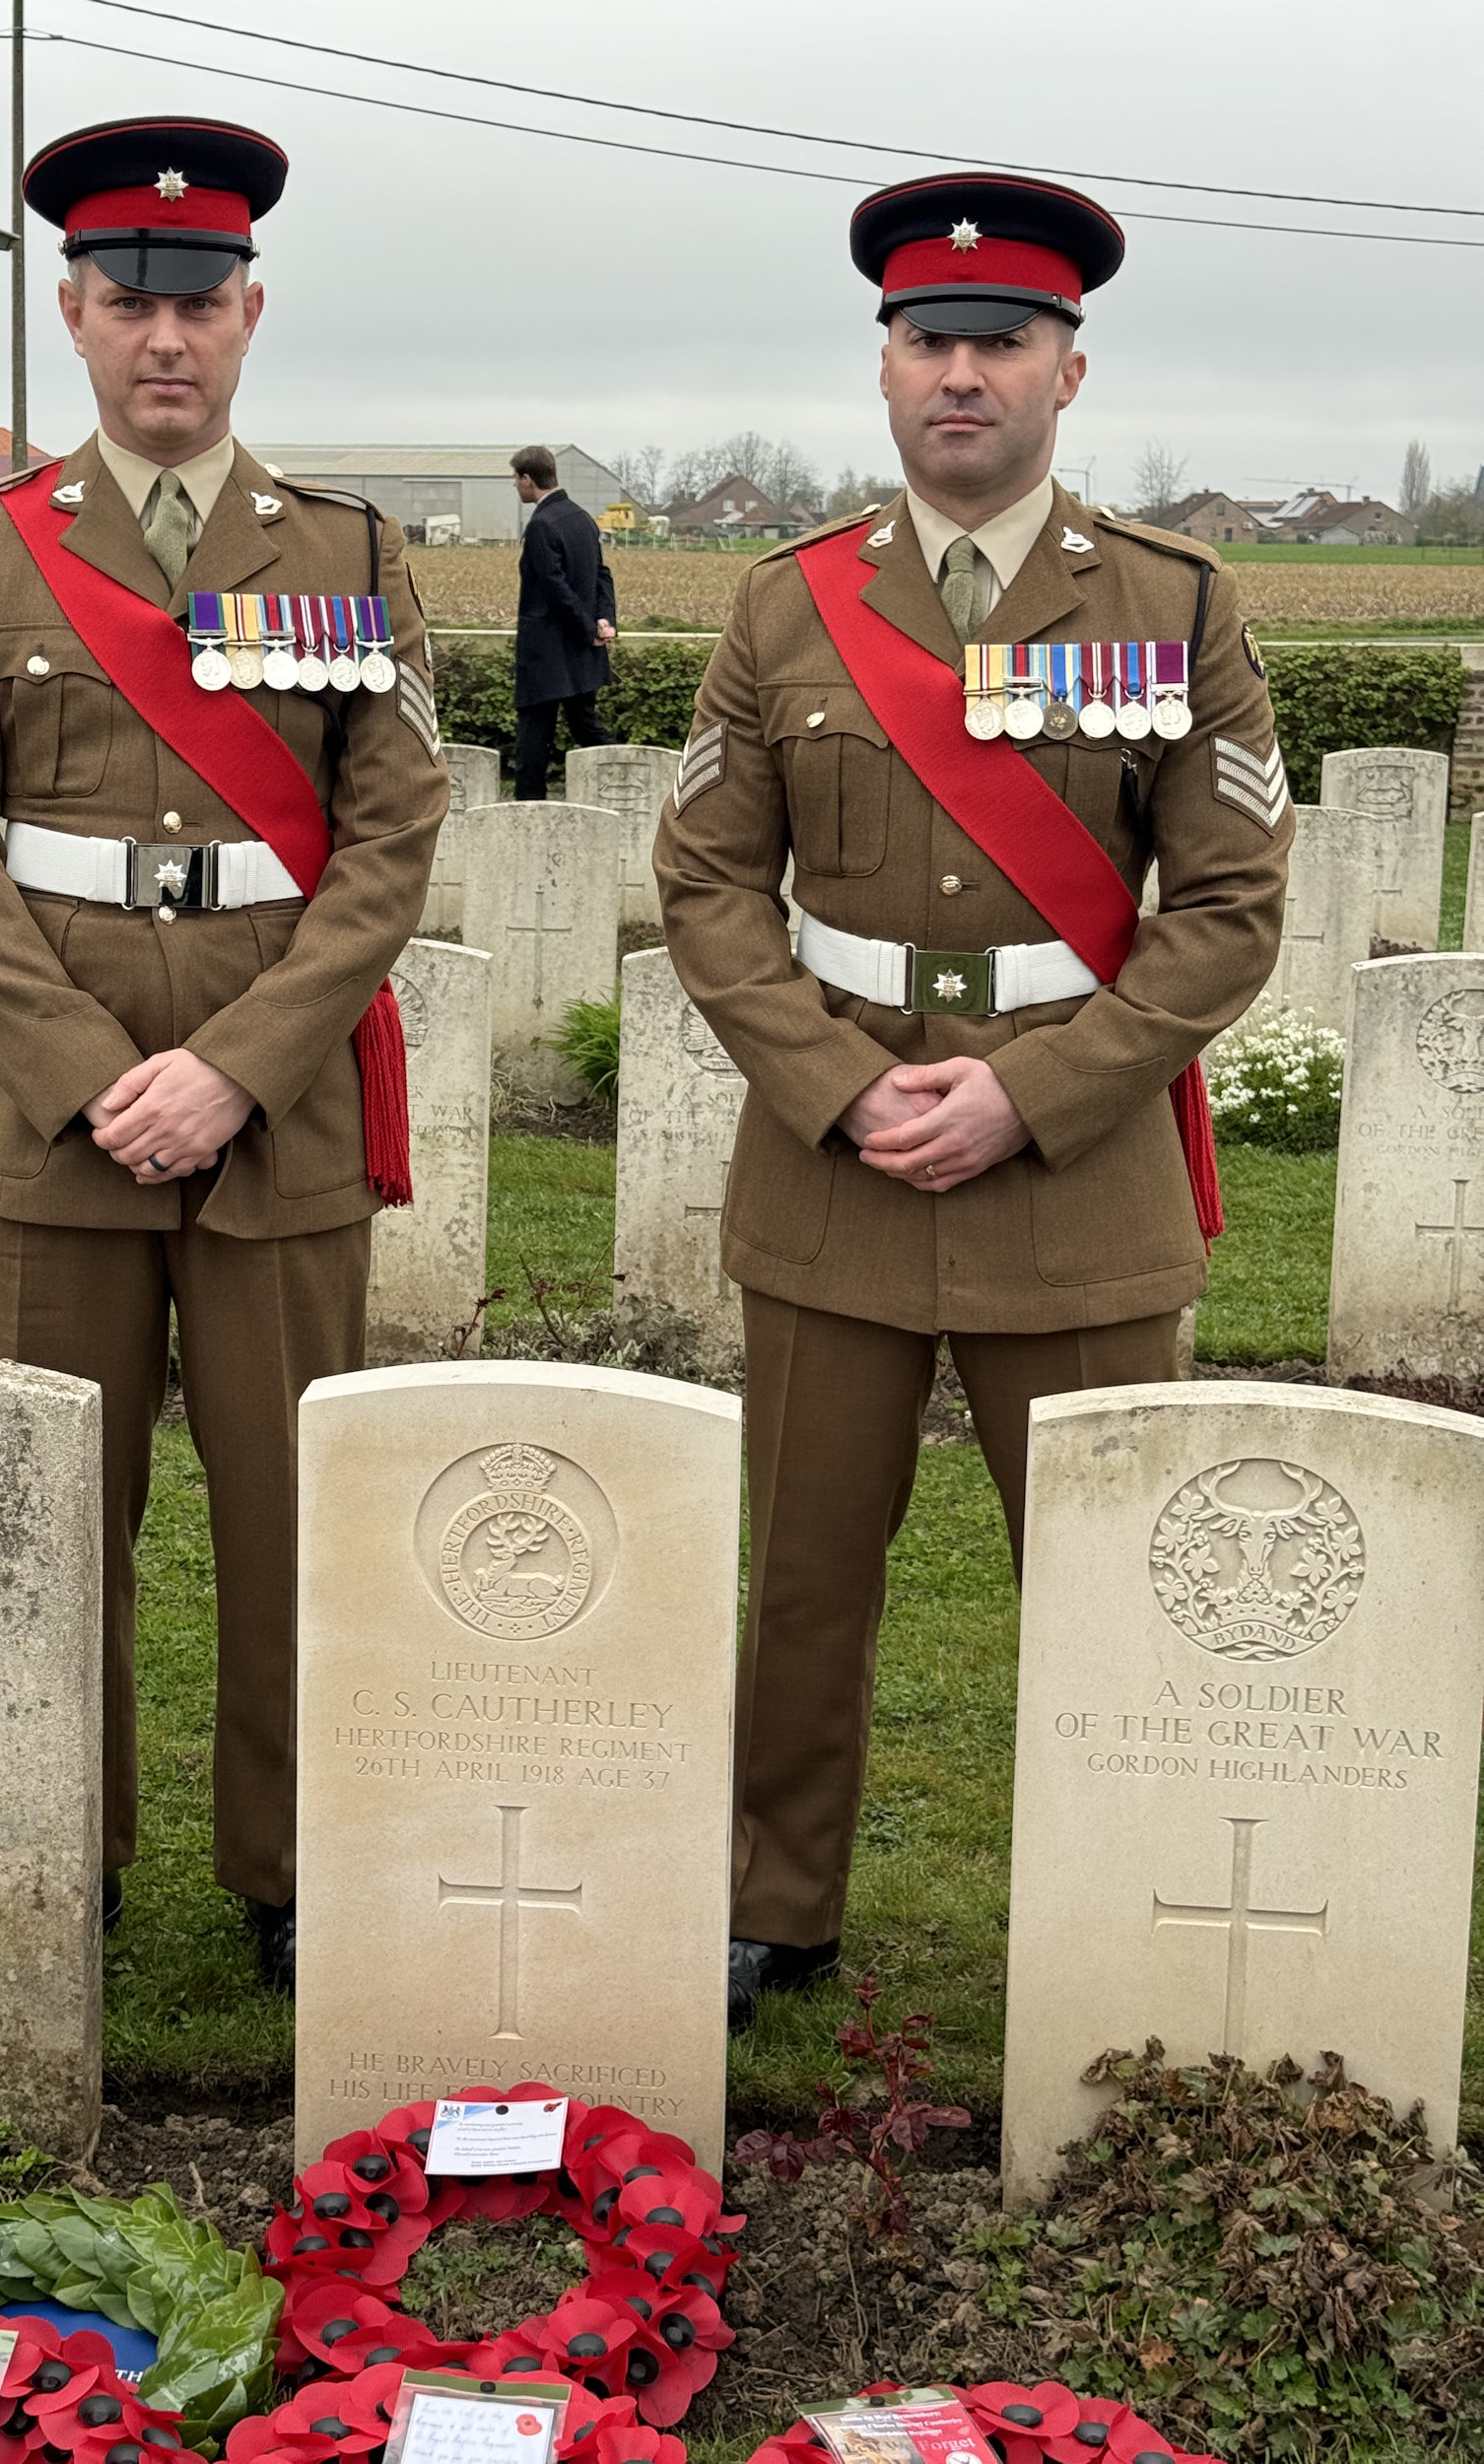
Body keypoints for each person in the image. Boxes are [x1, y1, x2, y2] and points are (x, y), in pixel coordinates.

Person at [651, 171, 1293, 2030]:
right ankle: (776, 1900)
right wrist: (841, 1091)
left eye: (999, 343)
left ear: (1068, 372)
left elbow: (1232, 905)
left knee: (1118, 1590)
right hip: (835, 1164)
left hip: (1070, 1174)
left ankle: (1140, 1898)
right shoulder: (785, 613)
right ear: (883, 367)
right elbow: (707, 879)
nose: (961, 375)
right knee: (805, 1576)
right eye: (928, 342)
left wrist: (1031, 1101)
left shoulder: (1175, 603)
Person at [0, 114, 446, 1988]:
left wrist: (242, 1064)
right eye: (130, 301)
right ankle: (68, 1850)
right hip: (56, 1130)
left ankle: (290, 1872)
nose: (166, 338)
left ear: (253, 310)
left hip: (269, 1126)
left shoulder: (348, 553)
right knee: (58, 1521)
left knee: (295, 1518)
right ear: (73, 312)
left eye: (201, 303)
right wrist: (77, 1068)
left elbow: (390, 847)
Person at [509, 445, 617, 798]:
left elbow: (555, 589)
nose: (515, 485)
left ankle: (527, 811)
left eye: (516, 478)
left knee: (533, 742)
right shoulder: (581, 518)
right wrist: (603, 621)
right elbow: (601, 574)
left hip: (547, 654)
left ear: (528, 478)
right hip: (581, 649)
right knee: (588, 730)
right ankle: (624, 790)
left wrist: (588, 630)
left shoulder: (542, 525)